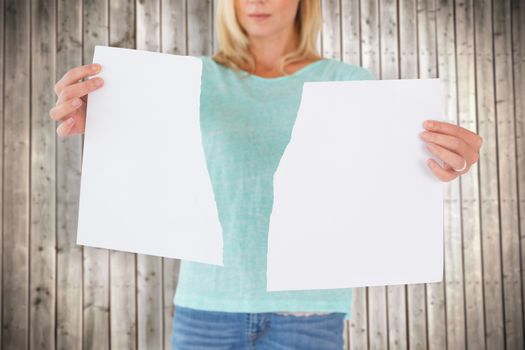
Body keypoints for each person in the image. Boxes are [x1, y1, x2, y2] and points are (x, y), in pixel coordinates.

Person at [50, 0, 483, 348]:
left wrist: (438, 165)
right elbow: (154, 175)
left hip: (309, 316)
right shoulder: (187, 81)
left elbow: (376, 193)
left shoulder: (349, 82)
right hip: (205, 310)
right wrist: (108, 120)